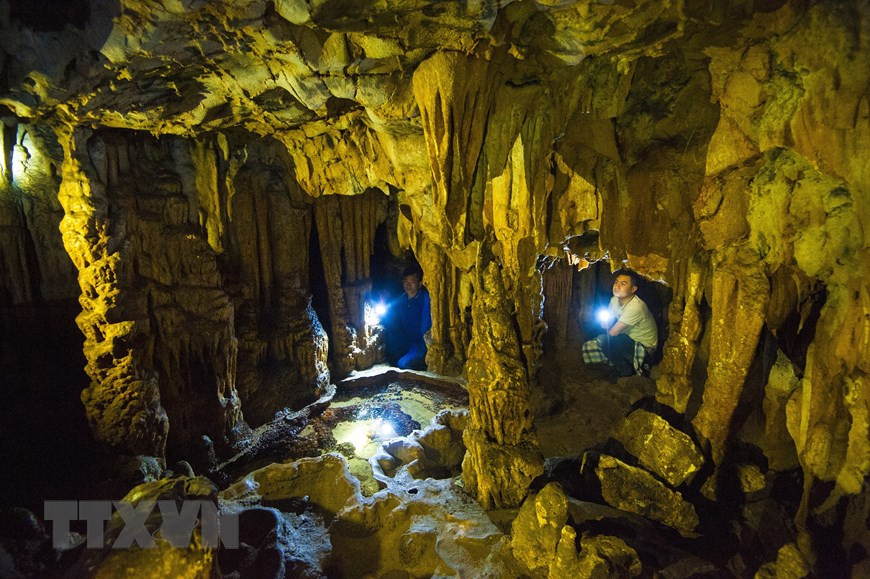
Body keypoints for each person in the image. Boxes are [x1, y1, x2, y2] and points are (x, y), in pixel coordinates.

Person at [582, 269, 658, 378]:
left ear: (633, 289)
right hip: (627, 339)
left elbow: (612, 333)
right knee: (590, 346)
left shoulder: (636, 307)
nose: (617, 286)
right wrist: (606, 324)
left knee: (604, 341)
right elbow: (608, 323)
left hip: (644, 348)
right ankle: (618, 367)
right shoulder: (614, 300)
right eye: (616, 282)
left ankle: (627, 373)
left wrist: (607, 329)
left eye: (623, 284)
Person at [383, 265, 432, 370]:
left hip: (422, 344)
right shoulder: (402, 298)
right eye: (405, 281)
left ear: (420, 284)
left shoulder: (425, 298)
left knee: (403, 364)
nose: (407, 284)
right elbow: (389, 314)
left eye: (412, 281)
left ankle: (423, 365)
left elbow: (426, 323)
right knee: (389, 355)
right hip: (408, 342)